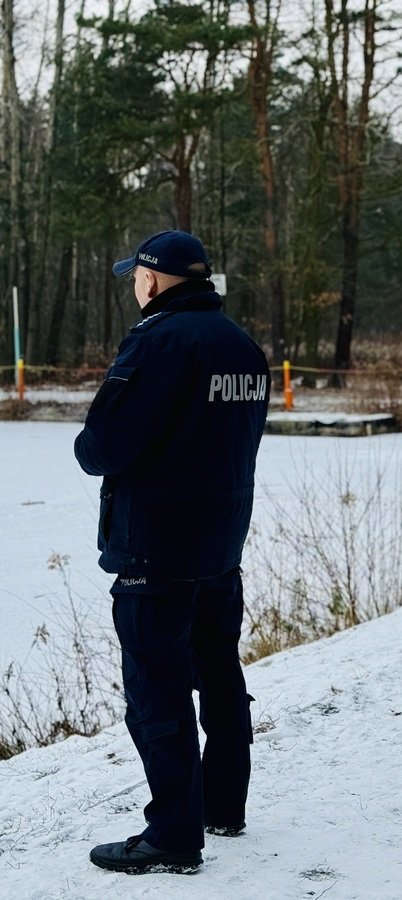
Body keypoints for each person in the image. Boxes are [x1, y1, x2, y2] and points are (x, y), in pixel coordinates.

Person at [75, 230, 270, 874]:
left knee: (157, 690)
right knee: (218, 672)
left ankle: (174, 835)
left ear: (154, 280)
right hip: (221, 542)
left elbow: (102, 446)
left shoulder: (158, 341)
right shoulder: (242, 346)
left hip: (156, 548)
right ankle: (223, 804)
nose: (135, 285)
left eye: (137, 276)